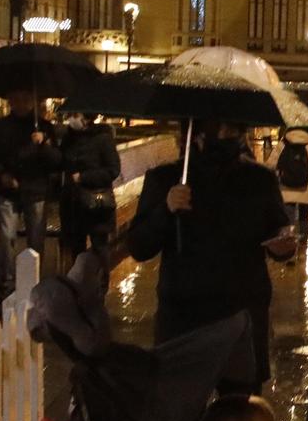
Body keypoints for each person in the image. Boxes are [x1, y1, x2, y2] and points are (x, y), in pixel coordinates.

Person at [126, 119, 296, 390]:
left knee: (238, 415)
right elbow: (138, 246)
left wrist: (284, 247)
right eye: (224, 126)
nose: (231, 136)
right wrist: (166, 210)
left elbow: (278, 233)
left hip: (241, 316)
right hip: (185, 318)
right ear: (198, 132)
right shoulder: (167, 179)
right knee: (181, 417)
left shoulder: (259, 180)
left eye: (236, 129)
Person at [0, 90, 61, 284]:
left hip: (36, 190)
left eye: (26, 99)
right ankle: (6, 279)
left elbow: (57, 161)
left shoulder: (44, 127)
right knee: (6, 237)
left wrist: (44, 145)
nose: (22, 103)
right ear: (10, 101)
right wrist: (2, 173)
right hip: (9, 191)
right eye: (17, 99)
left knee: (36, 239)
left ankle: (33, 278)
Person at [57, 112, 121, 261]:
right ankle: (78, 283)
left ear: (86, 118)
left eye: (76, 114)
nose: (71, 118)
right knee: (76, 249)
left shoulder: (103, 139)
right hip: (73, 203)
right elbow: (61, 162)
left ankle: (100, 283)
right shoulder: (68, 138)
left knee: (99, 248)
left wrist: (83, 177)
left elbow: (113, 170)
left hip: (96, 203)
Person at [270, 126, 308, 236]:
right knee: (304, 217)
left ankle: (289, 240)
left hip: (286, 187)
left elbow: (271, 164)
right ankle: (303, 242)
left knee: (289, 216)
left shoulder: (283, 143)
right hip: (306, 188)